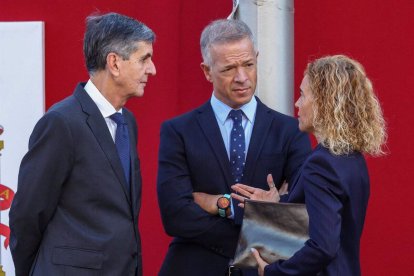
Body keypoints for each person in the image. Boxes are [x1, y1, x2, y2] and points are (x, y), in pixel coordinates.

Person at [157, 19, 311, 276]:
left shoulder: (290, 131)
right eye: (229, 69)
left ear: (257, 58)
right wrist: (260, 216)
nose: (242, 78)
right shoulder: (178, 131)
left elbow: (301, 209)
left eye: (249, 65)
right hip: (193, 268)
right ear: (207, 71)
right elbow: (175, 215)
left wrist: (220, 205)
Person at [9, 12, 156, 276]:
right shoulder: (61, 122)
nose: (152, 69)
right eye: (144, 59)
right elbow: (27, 215)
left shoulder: (127, 123)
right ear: (114, 63)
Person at [232, 55, 387, 276]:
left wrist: (274, 271)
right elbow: (327, 215)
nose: (297, 103)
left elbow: (323, 247)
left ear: (324, 103)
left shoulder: (322, 164)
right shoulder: (351, 158)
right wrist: (278, 202)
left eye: (303, 95)